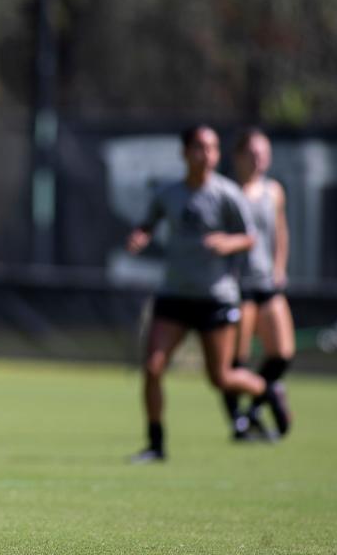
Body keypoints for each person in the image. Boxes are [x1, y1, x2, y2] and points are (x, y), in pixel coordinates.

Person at [126, 125, 289, 462]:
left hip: (215, 297)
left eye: (213, 148)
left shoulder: (228, 194)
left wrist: (227, 242)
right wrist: (140, 236)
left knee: (221, 378)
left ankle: (267, 391)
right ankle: (156, 445)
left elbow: (250, 237)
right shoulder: (169, 193)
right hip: (174, 294)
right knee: (153, 368)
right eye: (200, 147)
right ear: (185, 153)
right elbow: (148, 223)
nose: (207, 155)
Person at [221, 128, 295, 439]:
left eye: (263, 154)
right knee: (235, 361)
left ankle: (256, 405)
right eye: (252, 153)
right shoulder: (225, 193)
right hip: (236, 285)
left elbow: (280, 232)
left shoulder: (273, 191)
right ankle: (239, 422)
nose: (258, 160)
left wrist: (279, 267)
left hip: (266, 281)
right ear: (238, 156)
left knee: (282, 352)